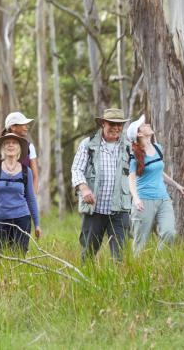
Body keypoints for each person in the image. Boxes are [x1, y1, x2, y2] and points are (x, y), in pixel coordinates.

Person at [70, 107, 132, 261]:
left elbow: (138, 172)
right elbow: (76, 169)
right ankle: (86, 281)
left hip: (120, 208)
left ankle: (119, 283)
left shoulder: (129, 146)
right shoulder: (88, 144)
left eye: (120, 124)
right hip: (95, 209)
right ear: (103, 124)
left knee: (120, 256)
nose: (116, 128)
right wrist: (84, 189)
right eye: (112, 123)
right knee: (89, 252)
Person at [127, 114, 184, 255]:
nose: (147, 124)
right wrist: (136, 198)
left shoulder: (158, 148)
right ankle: (138, 271)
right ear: (139, 133)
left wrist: (176, 185)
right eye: (143, 125)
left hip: (163, 199)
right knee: (140, 244)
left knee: (169, 233)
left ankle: (158, 264)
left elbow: (159, 172)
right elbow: (131, 179)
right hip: (144, 201)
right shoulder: (134, 154)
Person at [0, 133, 41, 254]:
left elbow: (31, 198)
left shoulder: (26, 171)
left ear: (19, 148)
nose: (10, 145)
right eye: (7, 143)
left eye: (14, 143)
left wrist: (37, 224)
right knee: (1, 256)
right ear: (2, 148)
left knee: (20, 256)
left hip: (22, 219)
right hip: (0, 219)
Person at [0, 111, 40, 196]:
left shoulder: (30, 147)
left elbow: (35, 176)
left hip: (21, 199)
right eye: (23, 125)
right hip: (0, 200)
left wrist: (32, 198)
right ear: (13, 127)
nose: (26, 127)